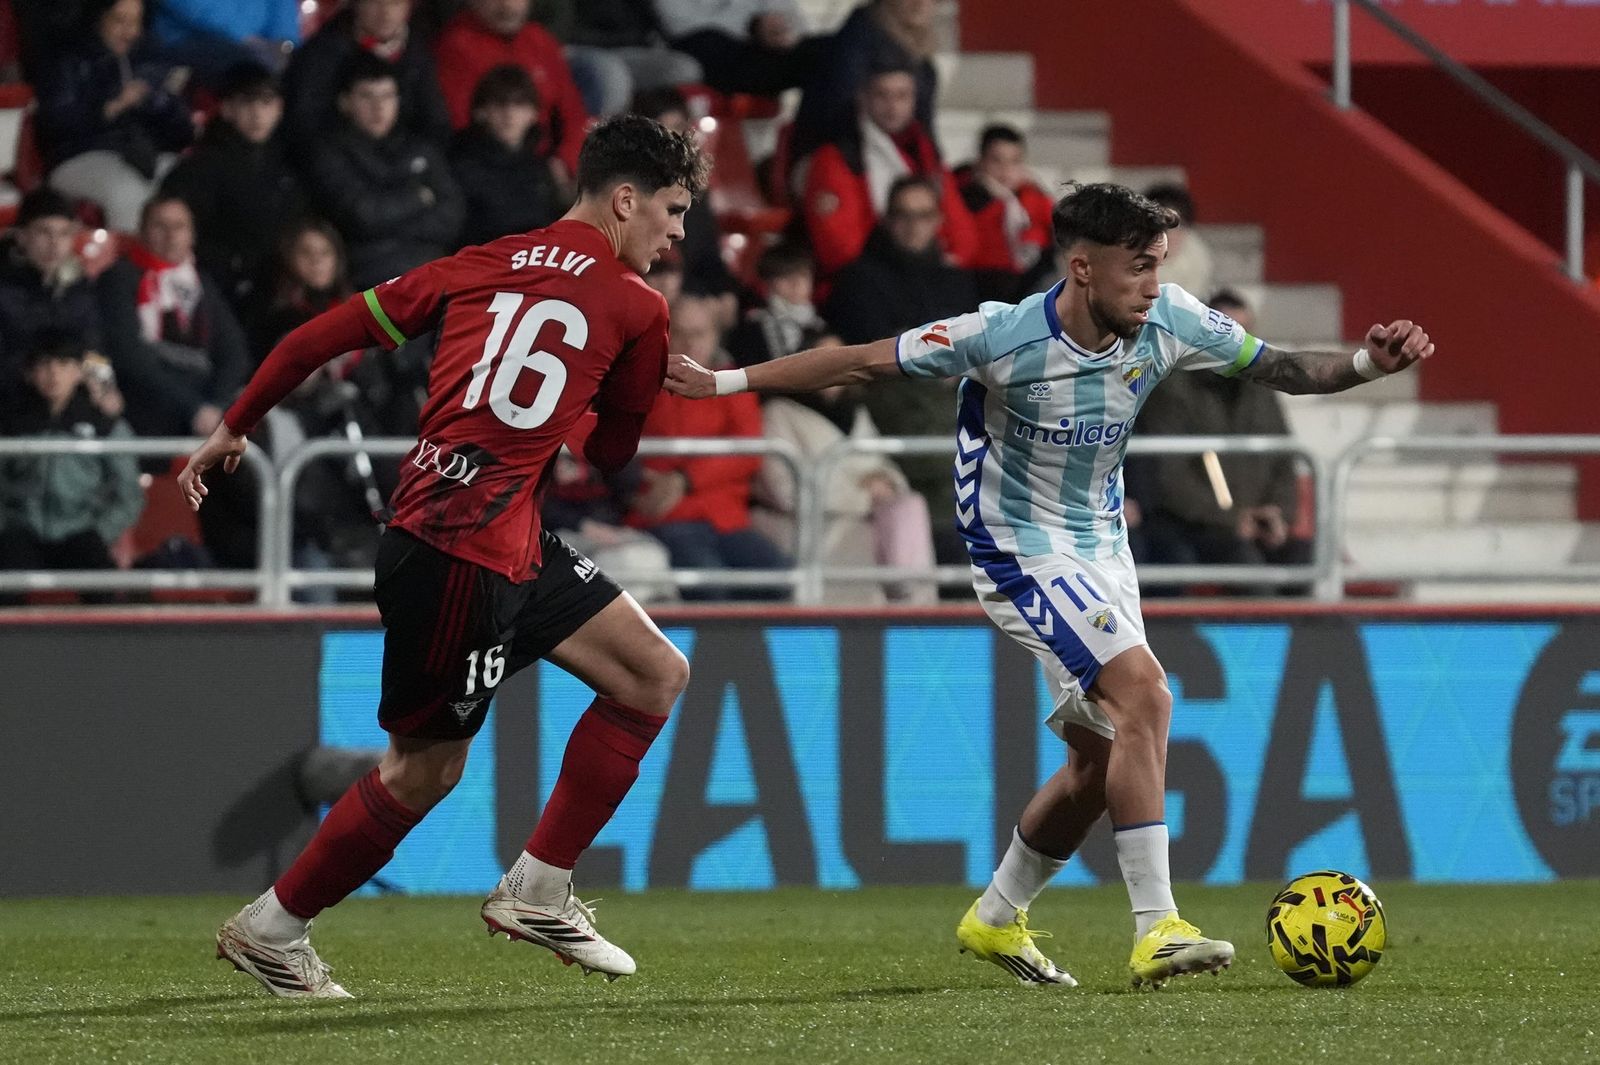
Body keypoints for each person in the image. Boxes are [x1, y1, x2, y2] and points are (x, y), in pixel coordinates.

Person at [666, 182, 1434, 989]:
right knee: (1146, 697)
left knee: (1099, 762)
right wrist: (724, 381)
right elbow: (858, 360)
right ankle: (1157, 926)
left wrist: (1366, 364)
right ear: (1082, 268)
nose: (1154, 284)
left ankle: (997, 915)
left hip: (1102, 548)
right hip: (1017, 548)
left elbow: (1279, 365)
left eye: (1158, 265)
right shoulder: (1000, 335)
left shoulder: (1170, 318)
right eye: (1138, 267)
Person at [182, 114, 709, 998]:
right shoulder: (637, 306)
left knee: (653, 673)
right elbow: (615, 456)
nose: (678, 233)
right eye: (674, 210)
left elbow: (317, 338)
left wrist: (235, 425)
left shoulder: (481, 261)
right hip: (464, 555)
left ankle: (540, 887)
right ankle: (273, 929)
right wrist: (626, 389)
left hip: (484, 535)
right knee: (424, 769)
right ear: (626, 200)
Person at [823, 175, 975, 567]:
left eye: (923, 215)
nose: (913, 225)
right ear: (889, 220)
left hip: (948, 406)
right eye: (904, 215)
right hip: (889, 408)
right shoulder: (858, 280)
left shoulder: (957, 283)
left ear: (937, 220)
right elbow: (870, 353)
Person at [1128, 290, 1311, 591]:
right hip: (1198, 527)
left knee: (1306, 559)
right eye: (1229, 334)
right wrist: (1231, 520)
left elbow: (1283, 461)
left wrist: (1278, 513)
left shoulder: (1262, 391)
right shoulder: (1172, 389)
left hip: (1256, 524)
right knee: (1247, 570)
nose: (1237, 345)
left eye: (1245, 334)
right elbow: (1170, 479)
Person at [625, 294, 789, 600]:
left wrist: (684, 479)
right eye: (681, 333)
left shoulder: (735, 383)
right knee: (710, 587)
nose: (691, 343)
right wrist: (636, 485)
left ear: (715, 336)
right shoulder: (636, 382)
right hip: (665, 517)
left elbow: (747, 453)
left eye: (699, 334)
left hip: (726, 518)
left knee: (782, 579)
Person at [0, 330, 143, 599]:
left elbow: (129, 493)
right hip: (21, 532)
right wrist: (6, 525)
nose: (54, 374)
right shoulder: (11, 422)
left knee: (108, 597)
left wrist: (101, 532)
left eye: (64, 364)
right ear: (30, 373)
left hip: (82, 531)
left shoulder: (104, 423)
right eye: (44, 364)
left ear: (79, 372)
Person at [801, 63, 976, 280]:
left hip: (931, 272)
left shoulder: (926, 154)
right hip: (866, 280)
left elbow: (962, 233)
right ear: (863, 97)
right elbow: (837, 247)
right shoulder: (836, 157)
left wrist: (950, 264)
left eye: (902, 96)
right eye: (882, 95)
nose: (893, 106)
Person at [307, 54, 465, 287]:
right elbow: (363, 216)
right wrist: (420, 197)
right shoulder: (329, 153)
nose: (378, 107)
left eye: (387, 96)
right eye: (367, 96)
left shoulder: (421, 148)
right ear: (345, 102)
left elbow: (452, 217)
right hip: (368, 279)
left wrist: (388, 225)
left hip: (431, 273)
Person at [37, 0, 194, 232]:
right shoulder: (67, 59)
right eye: (119, 21)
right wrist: (110, 108)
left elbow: (183, 133)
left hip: (142, 153)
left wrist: (158, 103)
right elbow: (56, 124)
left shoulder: (148, 60)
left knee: (190, 177)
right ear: (99, 19)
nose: (128, 32)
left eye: (135, 23)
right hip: (78, 156)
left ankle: (177, 255)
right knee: (127, 192)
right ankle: (130, 256)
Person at [159, 61, 305, 309]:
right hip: (221, 290)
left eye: (266, 103)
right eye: (247, 103)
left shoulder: (291, 161)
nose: (257, 114)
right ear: (227, 109)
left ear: (279, 108)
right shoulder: (201, 167)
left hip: (282, 283)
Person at [434, 0, 592, 185]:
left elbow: (574, 115)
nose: (508, 6)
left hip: (548, 169)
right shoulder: (455, 48)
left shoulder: (540, 40)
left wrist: (565, 162)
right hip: (492, 173)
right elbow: (462, 130)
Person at [281, 0, 451, 152]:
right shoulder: (323, 53)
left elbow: (435, 121)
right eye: (375, 2)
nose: (386, 13)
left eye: (396, 3)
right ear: (356, 5)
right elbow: (305, 124)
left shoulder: (417, 52)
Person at [449, 65, 566, 249]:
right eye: (500, 104)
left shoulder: (541, 168)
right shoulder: (460, 163)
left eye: (519, 104)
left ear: (533, 114)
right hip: (483, 259)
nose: (509, 114)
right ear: (481, 112)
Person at [0, 189, 103, 386]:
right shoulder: (5, 285)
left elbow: (93, 343)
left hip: (69, 389)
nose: (54, 244)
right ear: (21, 236)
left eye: (64, 233)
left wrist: (102, 384)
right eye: (43, 232)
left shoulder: (78, 284)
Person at [958, 124, 1055, 302]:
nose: (1006, 169)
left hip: (1026, 289)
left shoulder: (1035, 198)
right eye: (997, 160)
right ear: (980, 161)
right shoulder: (964, 198)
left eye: (1014, 161)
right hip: (974, 289)